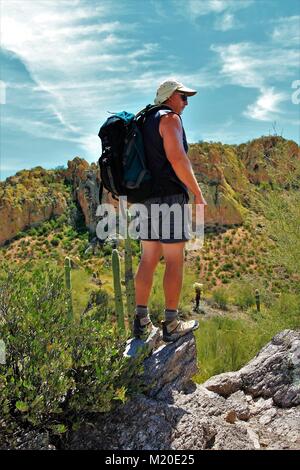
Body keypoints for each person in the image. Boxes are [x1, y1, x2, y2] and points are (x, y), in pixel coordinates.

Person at [133, 79, 207, 343]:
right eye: (183, 97)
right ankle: (172, 322)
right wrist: (197, 193)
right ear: (170, 96)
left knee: (148, 258)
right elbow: (177, 158)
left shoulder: (142, 122)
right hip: (169, 197)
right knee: (175, 259)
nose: (186, 103)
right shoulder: (170, 118)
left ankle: (141, 323)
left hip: (144, 198)